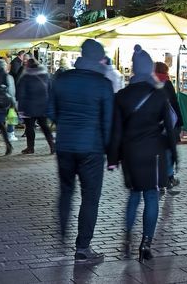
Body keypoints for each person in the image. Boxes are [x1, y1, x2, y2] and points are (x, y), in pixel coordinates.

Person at [49, 38, 116, 264]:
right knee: (90, 197)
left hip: (65, 145)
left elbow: (51, 111)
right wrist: (110, 152)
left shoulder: (62, 79)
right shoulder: (103, 83)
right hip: (92, 148)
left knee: (66, 191)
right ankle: (83, 247)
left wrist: (65, 123)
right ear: (98, 58)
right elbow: (108, 121)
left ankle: (62, 233)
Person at [108, 47, 176, 262]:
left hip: (130, 153)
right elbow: (170, 126)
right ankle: (146, 243)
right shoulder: (159, 94)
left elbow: (115, 129)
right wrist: (173, 153)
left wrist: (112, 158)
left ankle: (128, 236)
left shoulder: (121, 96)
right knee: (152, 196)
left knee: (134, 195)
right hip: (154, 153)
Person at [16, 56, 55, 154]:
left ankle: (30, 147)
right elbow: (51, 90)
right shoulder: (46, 75)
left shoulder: (25, 77)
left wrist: (20, 108)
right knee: (45, 126)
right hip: (43, 105)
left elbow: (21, 93)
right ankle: (52, 146)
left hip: (29, 106)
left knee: (29, 127)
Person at [153, 61, 183, 189]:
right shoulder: (167, 83)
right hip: (169, 124)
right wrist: (179, 123)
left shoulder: (150, 82)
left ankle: (157, 178)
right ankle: (169, 177)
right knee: (168, 151)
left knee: (156, 152)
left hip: (154, 124)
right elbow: (174, 104)